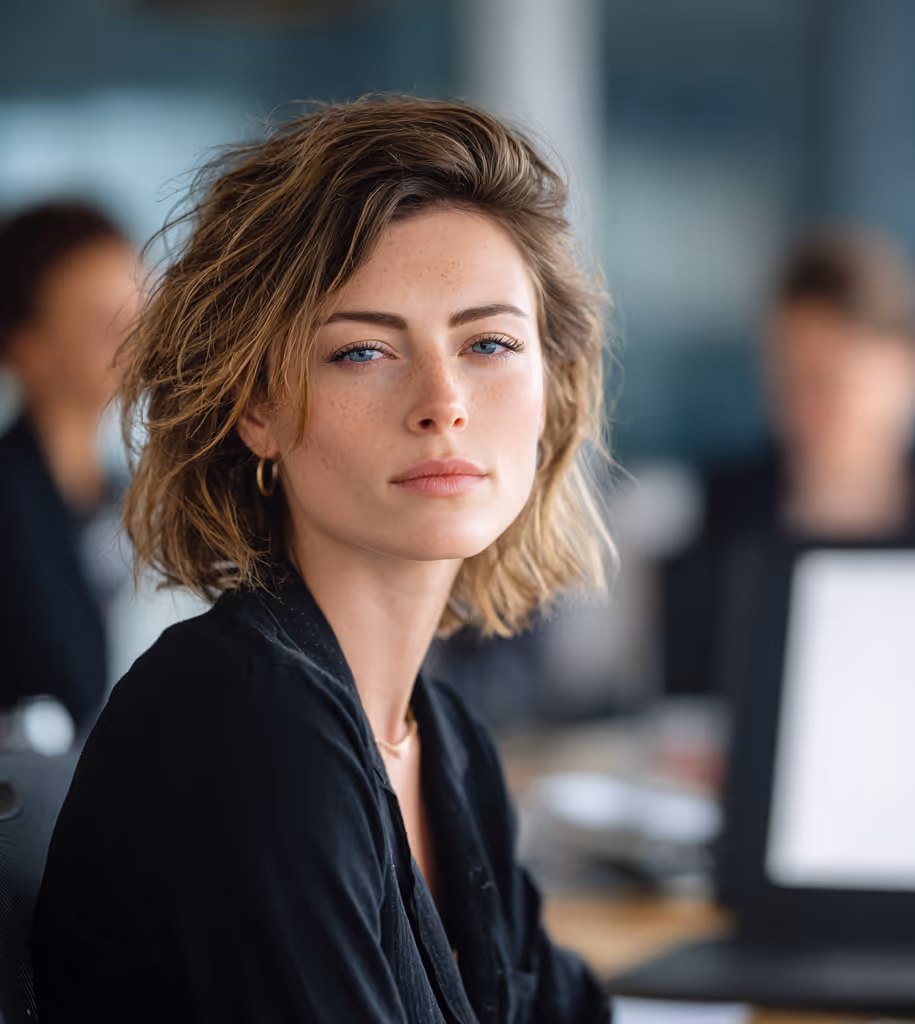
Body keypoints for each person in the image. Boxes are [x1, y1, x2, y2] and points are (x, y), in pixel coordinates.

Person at [33, 97, 616, 1022]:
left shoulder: (447, 743)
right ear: (256, 409)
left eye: (491, 342)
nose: (444, 402)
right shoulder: (242, 721)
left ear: (551, 390)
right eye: (364, 351)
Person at [663, 226, 915, 694]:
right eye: (788, 381)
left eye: (831, 383)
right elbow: (690, 693)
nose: (805, 410)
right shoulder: (727, 513)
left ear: (914, 369)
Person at [0, 202, 139, 734]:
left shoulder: (120, 494)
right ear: (25, 344)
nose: (136, 341)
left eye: (141, 314)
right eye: (107, 322)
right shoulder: (13, 502)